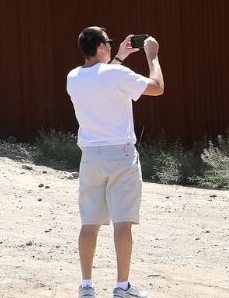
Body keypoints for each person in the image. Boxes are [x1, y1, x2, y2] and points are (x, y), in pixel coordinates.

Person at [65, 26, 165, 298]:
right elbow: (157, 88)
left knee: (89, 223)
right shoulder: (116, 74)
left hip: (90, 157)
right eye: (108, 43)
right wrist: (152, 56)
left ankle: (86, 286)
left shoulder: (73, 77)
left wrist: (119, 56)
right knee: (122, 222)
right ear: (100, 47)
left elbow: (101, 77)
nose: (111, 46)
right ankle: (122, 286)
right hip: (120, 155)